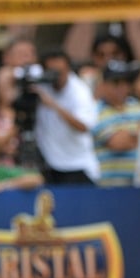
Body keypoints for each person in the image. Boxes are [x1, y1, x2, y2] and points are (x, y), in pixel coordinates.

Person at [32, 48, 99, 184]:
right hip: (48, 164)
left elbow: (83, 126)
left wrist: (54, 105)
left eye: (60, 71)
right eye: (52, 71)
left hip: (76, 165)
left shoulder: (79, 91)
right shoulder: (40, 84)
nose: (57, 76)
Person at [93, 60, 140, 187]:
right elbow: (118, 143)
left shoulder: (138, 107)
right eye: (116, 82)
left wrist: (130, 135)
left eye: (125, 82)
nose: (122, 87)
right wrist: (138, 131)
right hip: (111, 184)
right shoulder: (96, 111)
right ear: (103, 85)